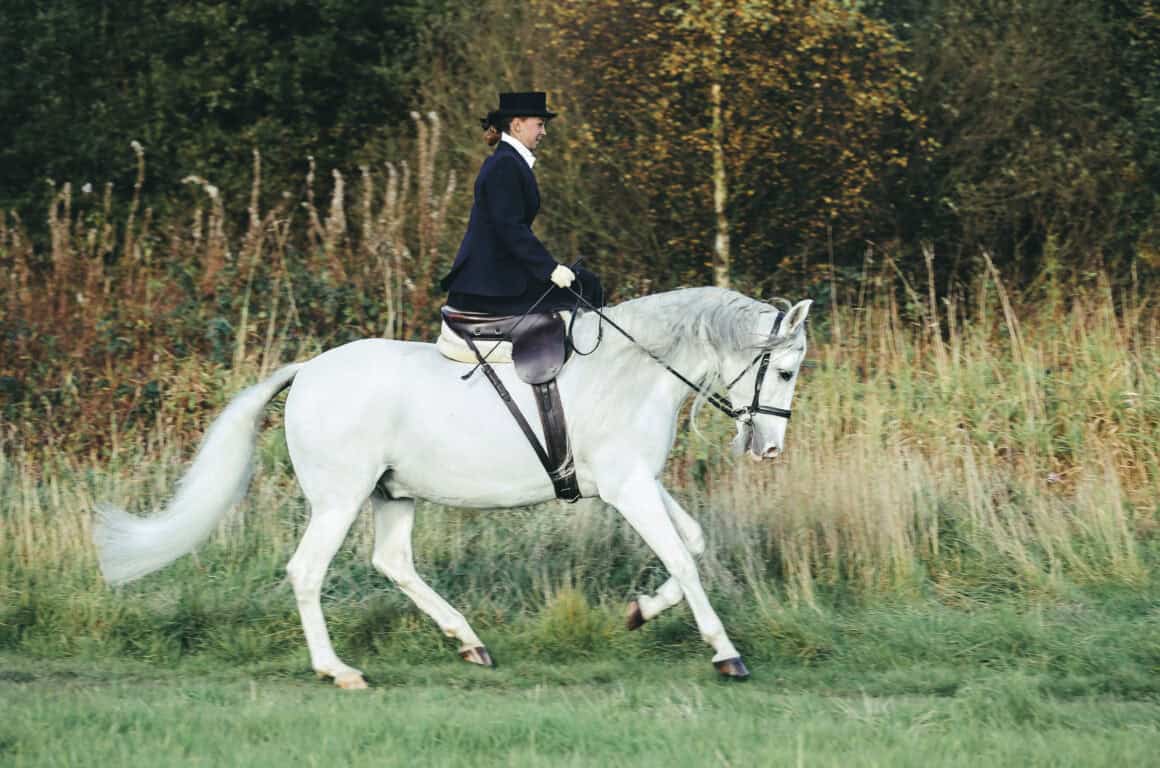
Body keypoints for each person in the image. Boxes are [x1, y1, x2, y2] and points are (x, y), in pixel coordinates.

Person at [440, 91, 603, 316]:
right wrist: (549, 268)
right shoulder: (505, 165)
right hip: (488, 286)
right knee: (587, 285)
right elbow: (509, 227)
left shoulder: (510, 161)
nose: (543, 132)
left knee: (585, 281)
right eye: (540, 124)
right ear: (517, 125)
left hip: (499, 277)